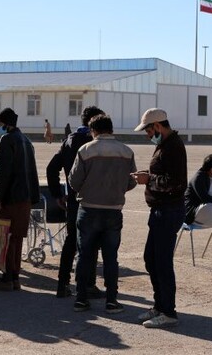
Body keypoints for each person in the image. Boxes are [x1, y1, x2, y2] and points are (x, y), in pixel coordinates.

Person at [69, 114, 137, 314]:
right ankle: (112, 300)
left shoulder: (86, 150)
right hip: (114, 210)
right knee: (111, 257)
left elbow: (74, 181)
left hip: (88, 209)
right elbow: (132, 181)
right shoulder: (126, 151)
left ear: (93, 131)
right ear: (112, 129)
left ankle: (81, 298)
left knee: (84, 256)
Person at [132, 108, 188, 329]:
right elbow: (164, 174)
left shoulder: (172, 146)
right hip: (160, 210)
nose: (147, 134)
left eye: (148, 129)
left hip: (168, 210)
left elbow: (175, 182)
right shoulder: (165, 145)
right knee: (152, 259)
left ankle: (168, 311)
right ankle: (159, 305)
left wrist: (149, 179)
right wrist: (148, 175)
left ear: (157, 126)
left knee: (162, 262)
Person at [47, 105, 105, 298]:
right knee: (92, 241)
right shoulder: (94, 142)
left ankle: (62, 283)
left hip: (72, 199)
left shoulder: (69, 140)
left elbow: (51, 168)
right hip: (93, 199)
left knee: (72, 242)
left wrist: (57, 194)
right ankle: (88, 283)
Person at [0, 108, 39, 291]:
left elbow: (2, 172)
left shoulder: (7, 140)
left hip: (11, 197)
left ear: (6, 124)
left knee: (6, 238)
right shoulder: (26, 140)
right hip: (25, 198)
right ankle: (14, 277)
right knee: (16, 238)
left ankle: (7, 277)